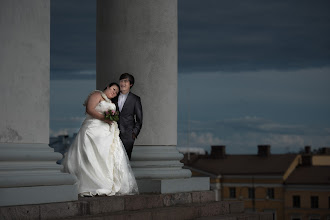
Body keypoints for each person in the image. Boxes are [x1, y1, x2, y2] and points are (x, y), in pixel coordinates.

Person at [61, 82, 139, 197]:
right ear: (107, 87)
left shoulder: (110, 102)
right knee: (91, 155)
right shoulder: (97, 94)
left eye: (116, 92)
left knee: (105, 156)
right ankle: (91, 183)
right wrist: (104, 118)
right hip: (93, 129)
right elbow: (90, 109)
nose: (114, 92)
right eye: (113, 89)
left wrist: (111, 119)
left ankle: (105, 182)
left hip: (107, 132)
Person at [117, 73, 143, 160]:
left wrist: (134, 133)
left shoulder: (135, 99)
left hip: (128, 135)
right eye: (121, 81)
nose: (122, 83)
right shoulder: (114, 97)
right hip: (113, 133)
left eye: (125, 81)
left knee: (126, 160)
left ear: (130, 84)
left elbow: (139, 119)